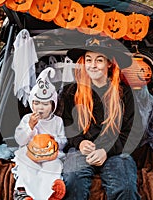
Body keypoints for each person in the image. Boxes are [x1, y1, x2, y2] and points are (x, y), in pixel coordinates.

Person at [58, 37, 141, 199]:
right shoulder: (71, 92)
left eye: (99, 60)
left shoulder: (124, 94)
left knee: (125, 186)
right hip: (81, 151)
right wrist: (79, 142)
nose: (93, 65)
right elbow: (66, 124)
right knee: (72, 180)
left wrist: (106, 151)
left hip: (116, 151)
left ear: (109, 63)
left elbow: (131, 132)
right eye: (88, 59)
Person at [12, 67, 67, 200]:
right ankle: (24, 194)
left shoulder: (57, 121)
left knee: (53, 168)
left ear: (53, 105)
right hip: (30, 154)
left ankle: (49, 195)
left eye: (45, 104)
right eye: (36, 103)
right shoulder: (27, 119)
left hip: (50, 156)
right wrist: (30, 127)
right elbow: (19, 140)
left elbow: (63, 141)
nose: (40, 108)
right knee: (26, 167)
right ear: (31, 103)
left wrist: (54, 140)